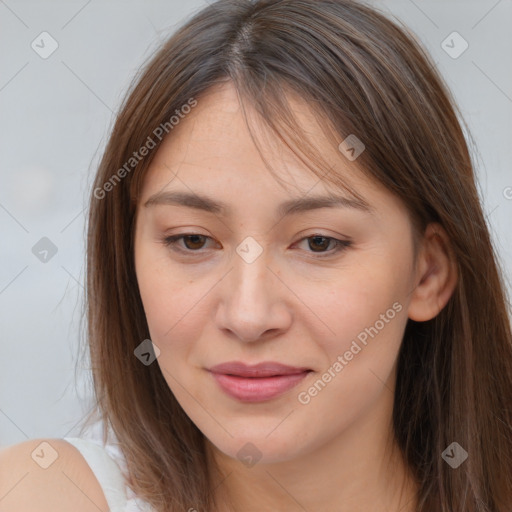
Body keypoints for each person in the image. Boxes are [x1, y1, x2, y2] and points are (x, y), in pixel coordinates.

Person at [1, 0, 511, 510]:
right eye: (192, 240)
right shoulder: (44, 493)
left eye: (319, 243)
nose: (248, 316)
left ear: (428, 274)